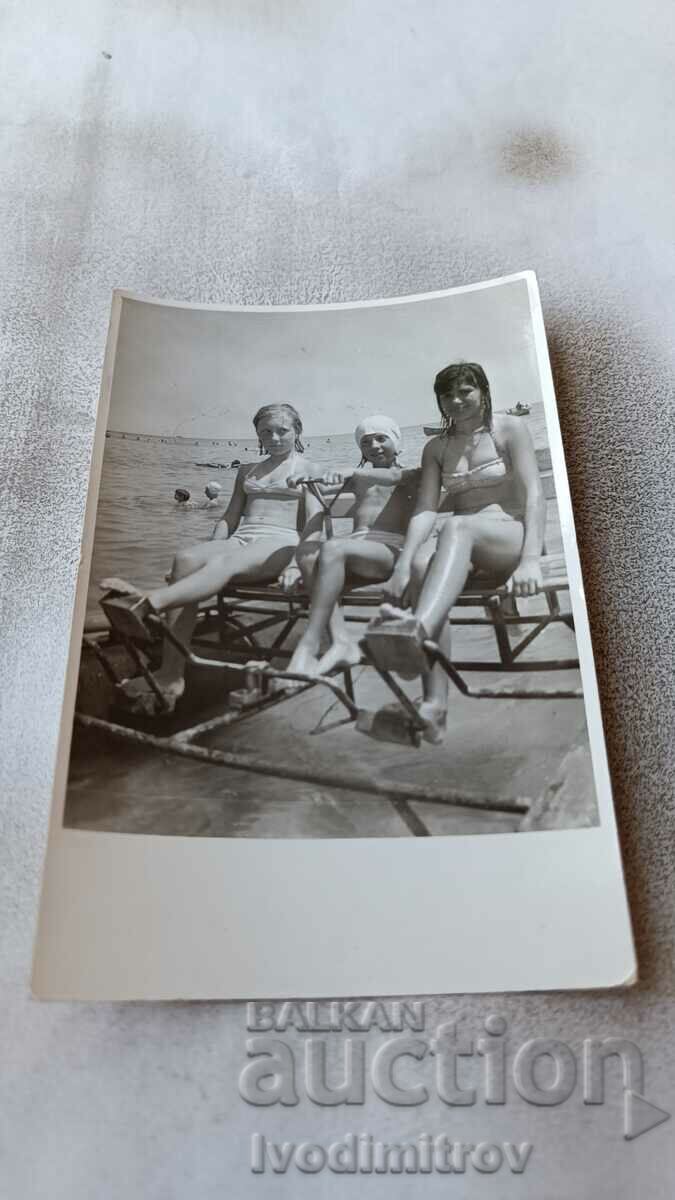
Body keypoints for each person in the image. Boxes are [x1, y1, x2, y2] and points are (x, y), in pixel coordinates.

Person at [101, 403, 322, 713]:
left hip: (282, 541)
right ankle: (171, 674)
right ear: (257, 435)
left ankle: (151, 602)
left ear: (297, 430)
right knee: (186, 559)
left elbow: (314, 522)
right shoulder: (248, 470)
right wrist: (210, 551)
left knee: (224, 564)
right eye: (265, 432)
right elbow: (231, 517)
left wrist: (298, 563)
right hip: (243, 537)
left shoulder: (309, 470)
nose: (274, 437)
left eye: (282, 431)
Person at [373, 362, 545, 744]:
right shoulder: (436, 447)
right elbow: (426, 509)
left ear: (483, 390)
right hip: (461, 541)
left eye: (465, 391)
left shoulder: (509, 430)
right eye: (447, 395)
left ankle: (415, 632)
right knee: (420, 564)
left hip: (509, 536)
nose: (456, 400)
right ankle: (435, 705)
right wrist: (401, 566)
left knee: (457, 525)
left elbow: (535, 493)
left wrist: (531, 559)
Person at [283, 416, 420, 678]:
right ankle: (340, 639)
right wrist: (308, 478)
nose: (375, 446)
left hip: (390, 551)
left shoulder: (412, 474)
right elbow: (318, 483)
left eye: (382, 438)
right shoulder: (358, 480)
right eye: (366, 442)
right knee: (307, 553)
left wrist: (351, 470)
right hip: (355, 550)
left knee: (333, 548)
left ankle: (309, 646)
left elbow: (393, 475)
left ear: (397, 443)